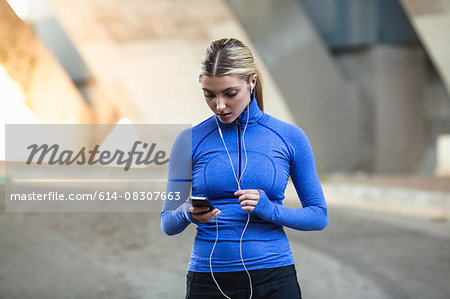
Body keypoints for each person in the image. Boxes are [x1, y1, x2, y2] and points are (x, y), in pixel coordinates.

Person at [160, 38, 328, 299]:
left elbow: (318, 216)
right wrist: (187, 213)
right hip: (208, 280)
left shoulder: (289, 137)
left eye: (230, 93)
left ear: (252, 82)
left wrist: (270, 210)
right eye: (209, 94)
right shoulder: (189, 140)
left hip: (274, 277)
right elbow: (167, 223)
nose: (220, 105)